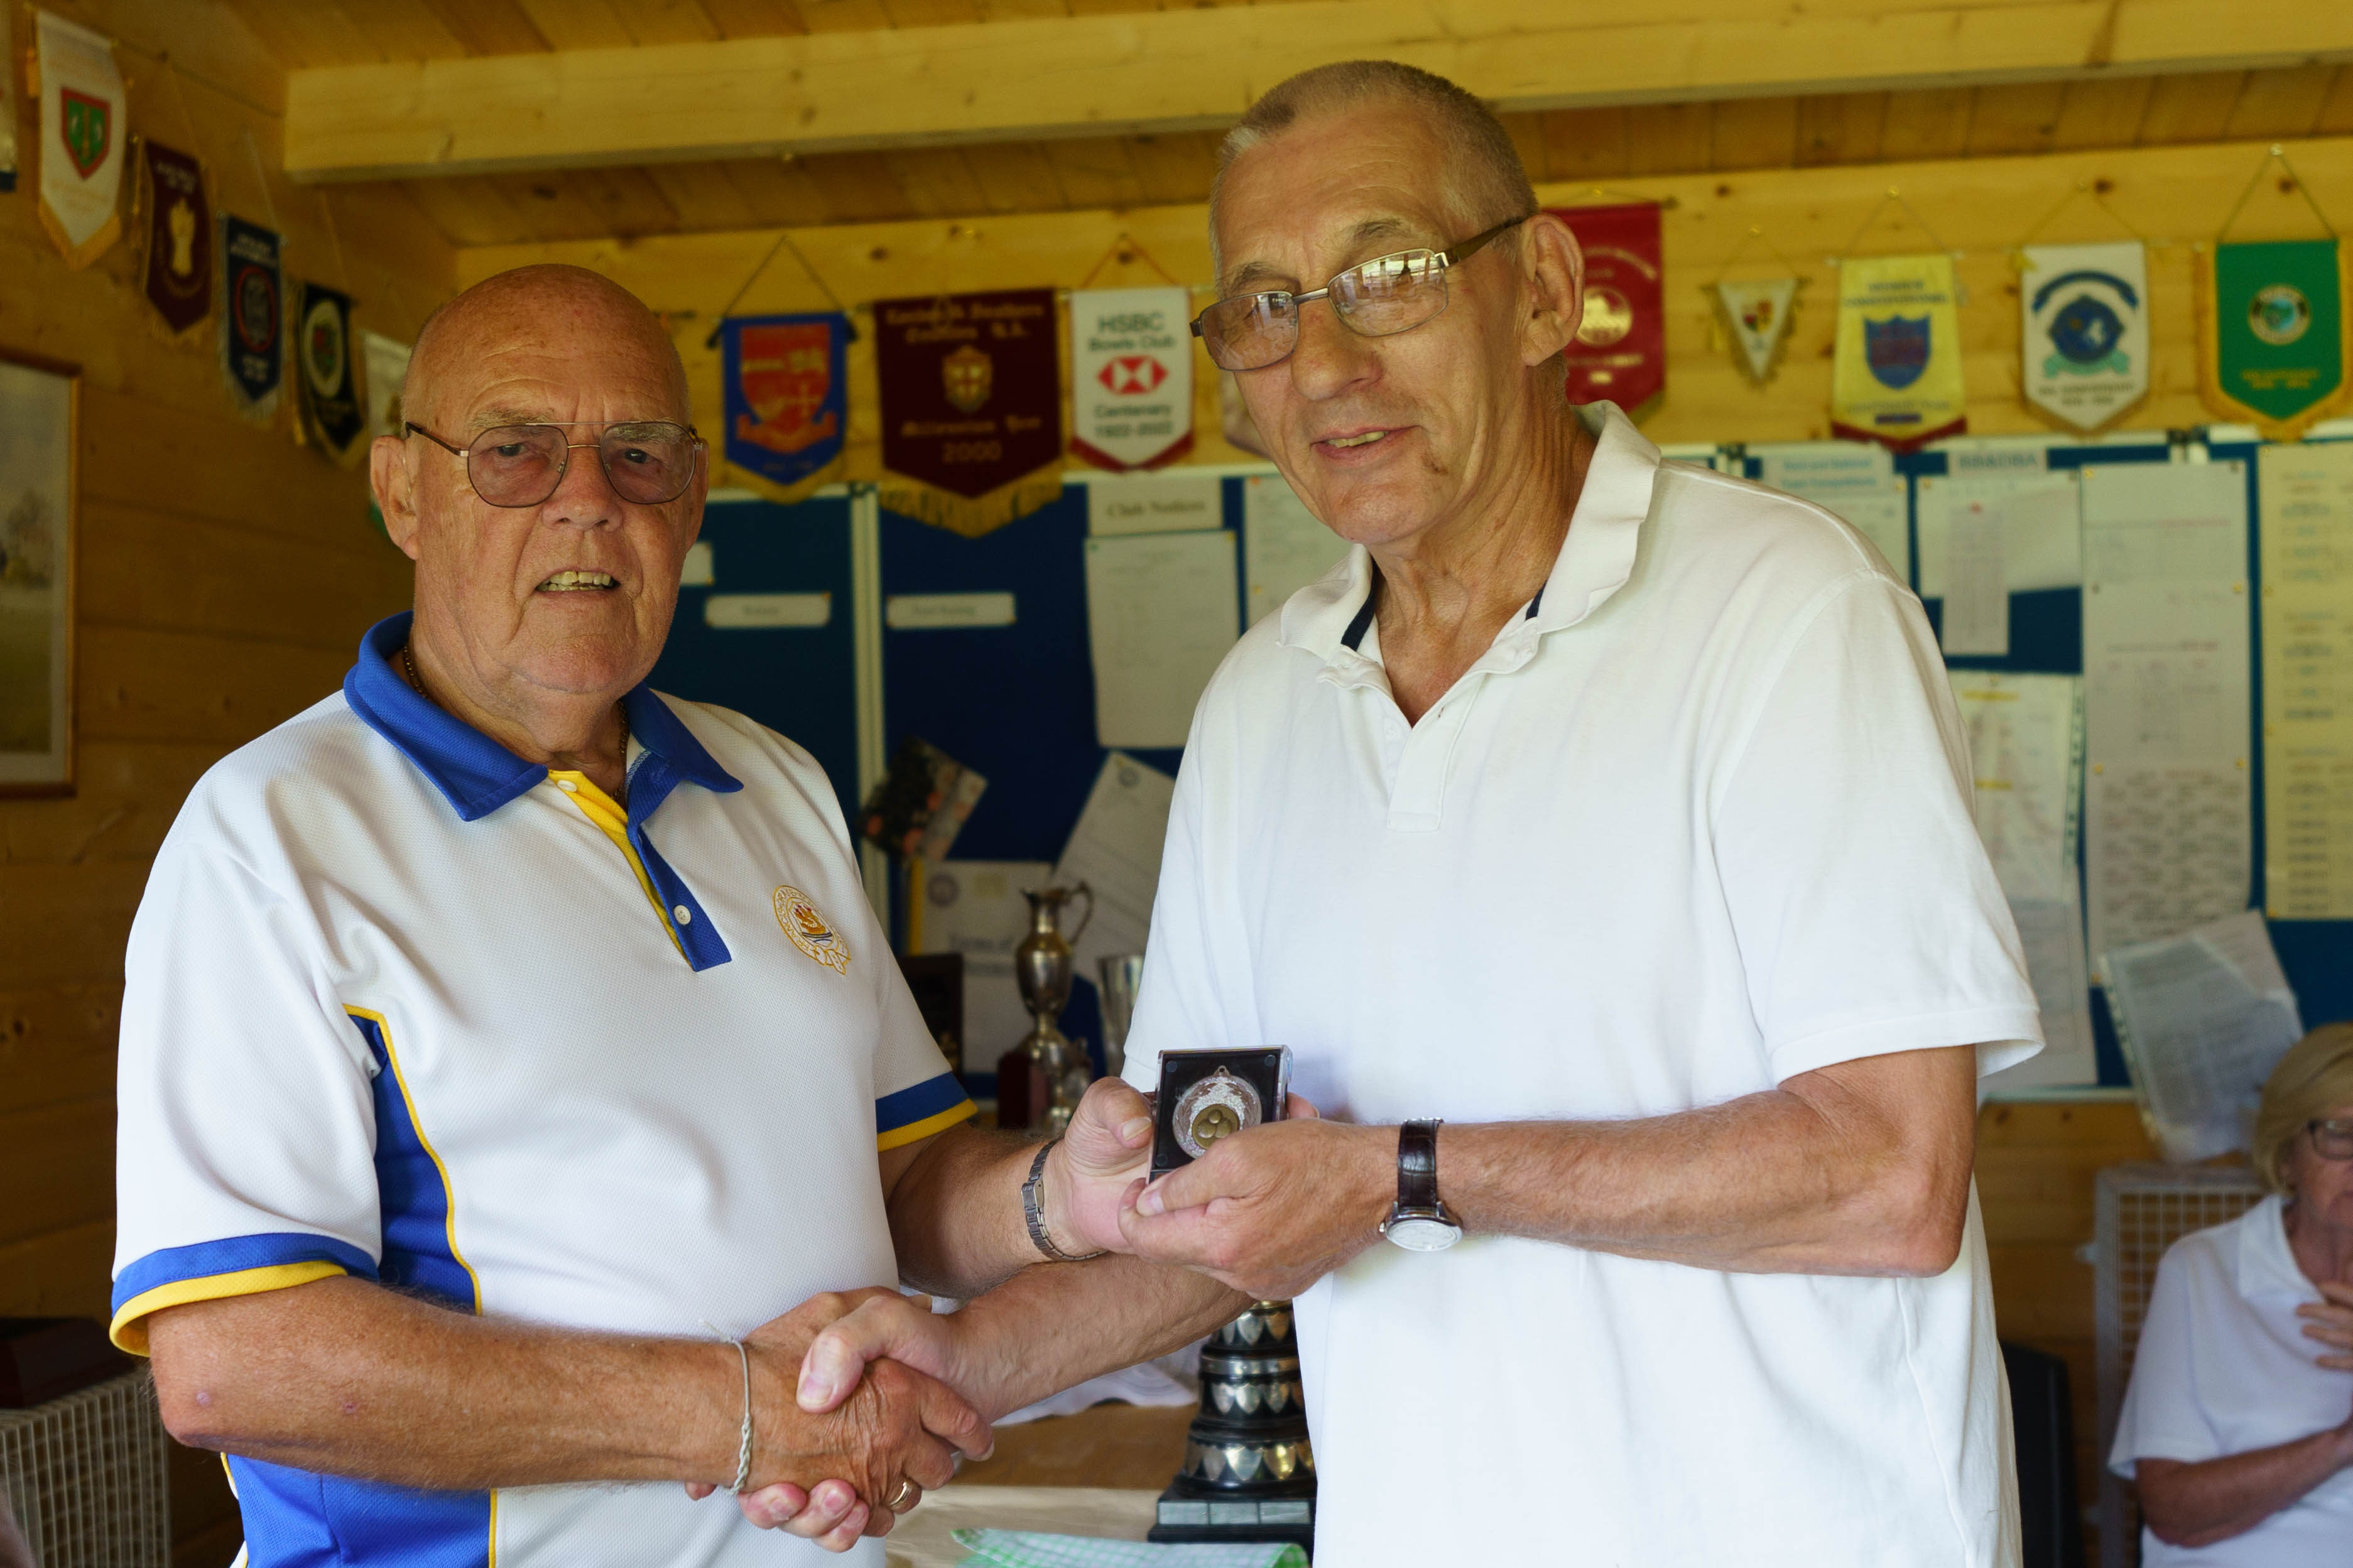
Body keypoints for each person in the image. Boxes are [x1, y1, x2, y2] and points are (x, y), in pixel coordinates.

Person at [756, 60, 2045, 1566]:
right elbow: (1213, 1214)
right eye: (1265, 306)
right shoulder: (1263, 702)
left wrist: (1400, 1173)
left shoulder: (1785, 609)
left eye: (1388, 277)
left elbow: (1890, 1178)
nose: (1325, 361)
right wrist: (958, 1363)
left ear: (1546, 294)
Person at [109, 264, 1227, 1567]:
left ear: (690, 501)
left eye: (637, 456)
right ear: (404, 494)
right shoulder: (269, 838)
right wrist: (743, 1419)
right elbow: (234, 1365)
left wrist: (1059, 1198)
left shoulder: (777, 786)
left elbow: (901, 1177)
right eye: (514, 452)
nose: (587, 500)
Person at [2111, 1021, 2353, 1562]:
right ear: (2286, 1153)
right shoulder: (2204, 1271)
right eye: (2340, 1132)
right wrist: (2341, 1444)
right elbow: (2173, 1512)